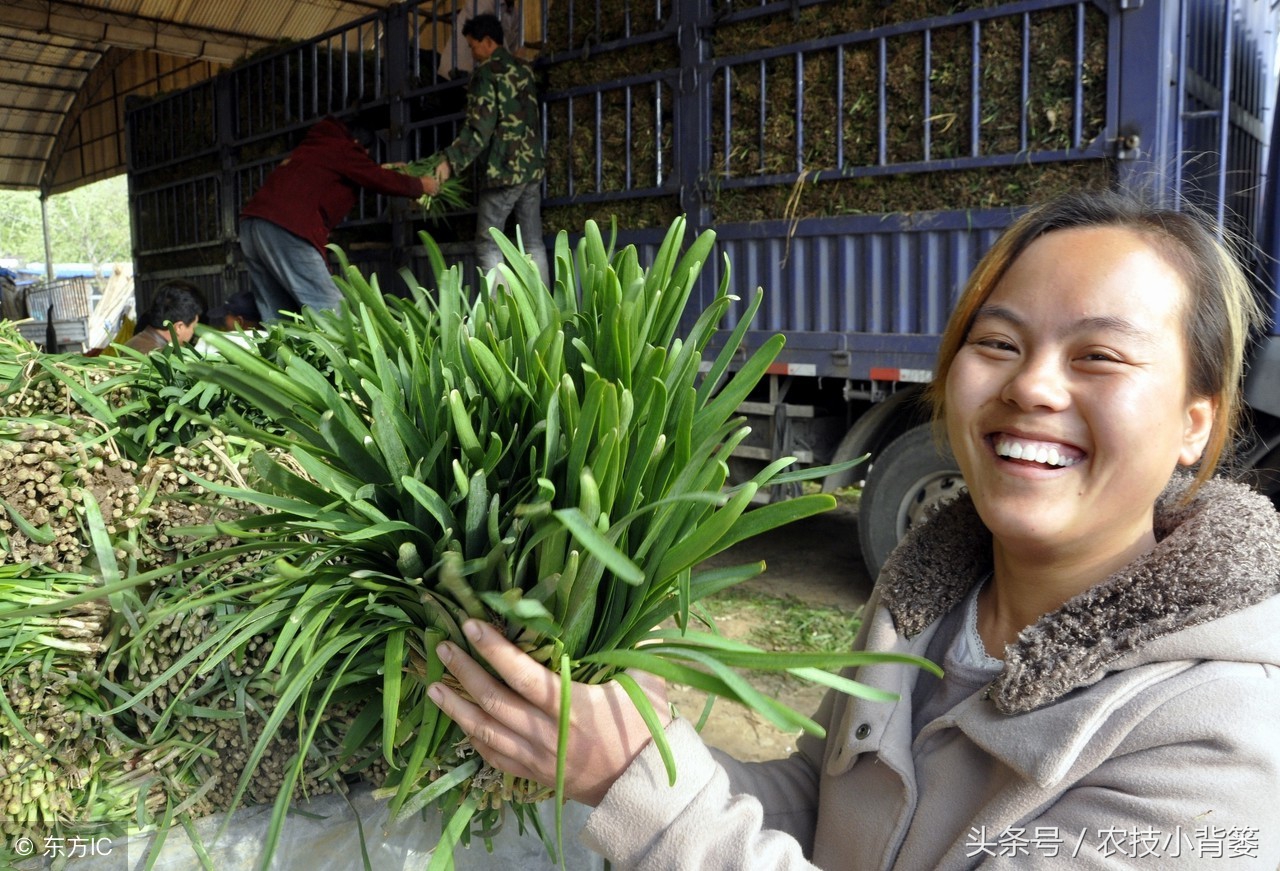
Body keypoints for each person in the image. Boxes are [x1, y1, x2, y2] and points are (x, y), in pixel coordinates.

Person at [426, 190, 1280, 868]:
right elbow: (823, 801)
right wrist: (658, 757)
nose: (1034, 387)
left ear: (1194, 423)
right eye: (998, 342)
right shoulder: (930, 596)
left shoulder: (1221, 742)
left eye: (1098, 355)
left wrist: (640, 789)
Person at [239, 113, 434, 320]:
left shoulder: (315, 147)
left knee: (278, 312)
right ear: (358, 143)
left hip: (251, 226)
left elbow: (359, 173)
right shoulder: (342, 147)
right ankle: (345, 351)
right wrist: (421, 185)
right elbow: (377, 178)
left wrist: (376, 169)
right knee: (330, 310)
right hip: (286, 229)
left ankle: (279, 351)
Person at [431, 12, 549, 288]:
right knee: (533, 242)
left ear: (487, 42)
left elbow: (479, 128)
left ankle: (500, 319)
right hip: (532, 167)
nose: (472, 53)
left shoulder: (486, 74)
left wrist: (450, 161)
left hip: (505, 169)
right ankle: (546, 313)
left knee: (487, 244)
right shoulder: (523, 69)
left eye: (472, 46)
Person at [123, 280, 204, 353]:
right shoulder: (163, 360)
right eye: (193, 327)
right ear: (179, 327)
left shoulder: (130, 344)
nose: (193, 333)